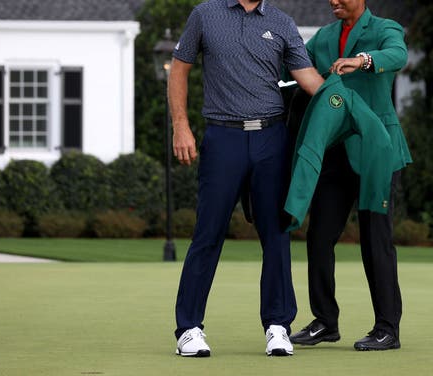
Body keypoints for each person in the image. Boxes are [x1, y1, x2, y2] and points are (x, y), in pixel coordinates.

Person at [169, 0, 323, 357]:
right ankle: (189, 328)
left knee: (276, 234)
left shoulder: (282, 22)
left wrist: (344, 99)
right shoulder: (205, 15)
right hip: (223, 138)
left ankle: (278, 326)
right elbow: (179, 68)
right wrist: (181, 125)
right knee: (207, 233)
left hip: (272, 138)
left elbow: (308, 79)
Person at [289, 0, 412, 351]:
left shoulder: (385, 29)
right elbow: (296, 62)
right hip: (335, 153)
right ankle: (325, 321)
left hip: (376, 151)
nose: (333, 1)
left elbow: (397, 55)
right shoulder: (324, 36)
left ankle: (387, 328)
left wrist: (362, 60)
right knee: (319, 236)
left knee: (376, 240)